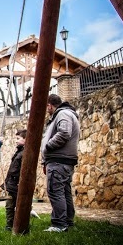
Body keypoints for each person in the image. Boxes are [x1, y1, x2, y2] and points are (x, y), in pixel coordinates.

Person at [41, 94, 80, 233]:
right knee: (64, 192)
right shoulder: (65, 114)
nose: (47, 110)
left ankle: (59, 224)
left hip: (59, 160)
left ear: (49, 105)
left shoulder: (63, 113)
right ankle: (68, 221)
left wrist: (47, 147)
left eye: (46, 107)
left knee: (55, 192)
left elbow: (64, 133)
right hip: (62, 161)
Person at [4, 129, 26, 231]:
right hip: (12, 182)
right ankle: (9, 225)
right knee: (9, 205)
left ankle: (20, 226)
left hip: (17, 183)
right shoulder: (19, 152)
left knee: (20, 206)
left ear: (26, 139)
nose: (16, 141)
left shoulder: (25, 153)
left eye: (18, 138)